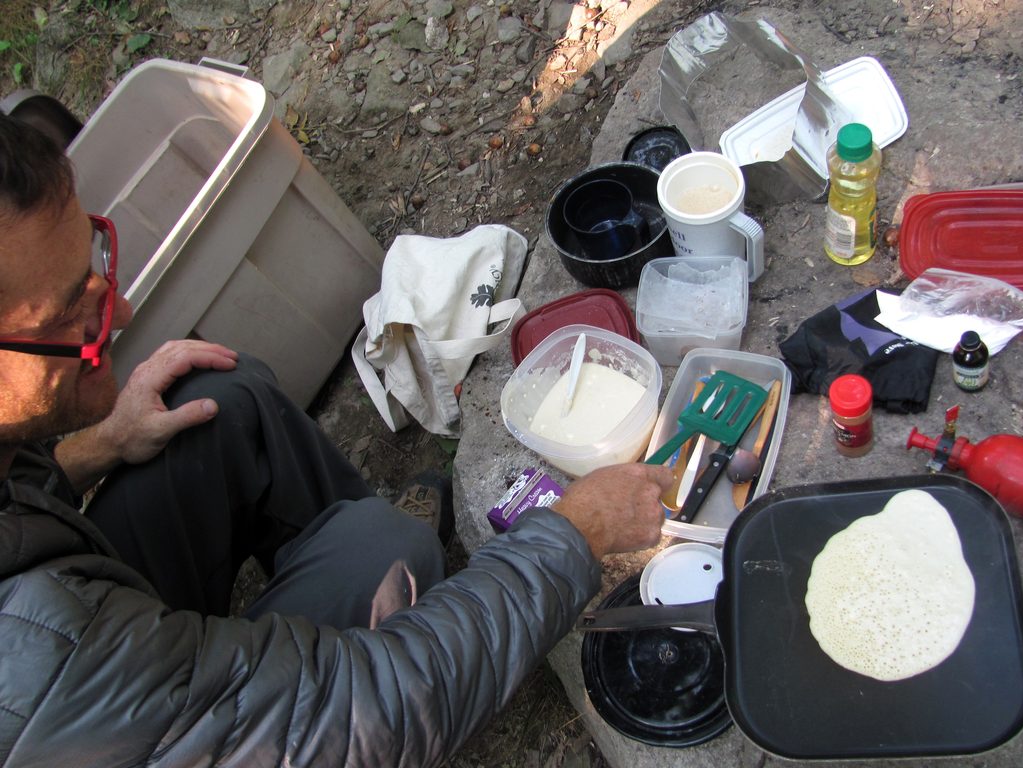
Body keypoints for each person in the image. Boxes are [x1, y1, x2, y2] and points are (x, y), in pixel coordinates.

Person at [0, 113, 674, 766]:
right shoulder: (43, 661)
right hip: (102, 694)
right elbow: (368, 711)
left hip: (87, 638)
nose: (117, 312)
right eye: (71, 313)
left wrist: (99, 447)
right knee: (392, 557)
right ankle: (380, 603)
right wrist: (573, 535)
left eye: (96, 261)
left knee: (221, 403)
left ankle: (356, 570)